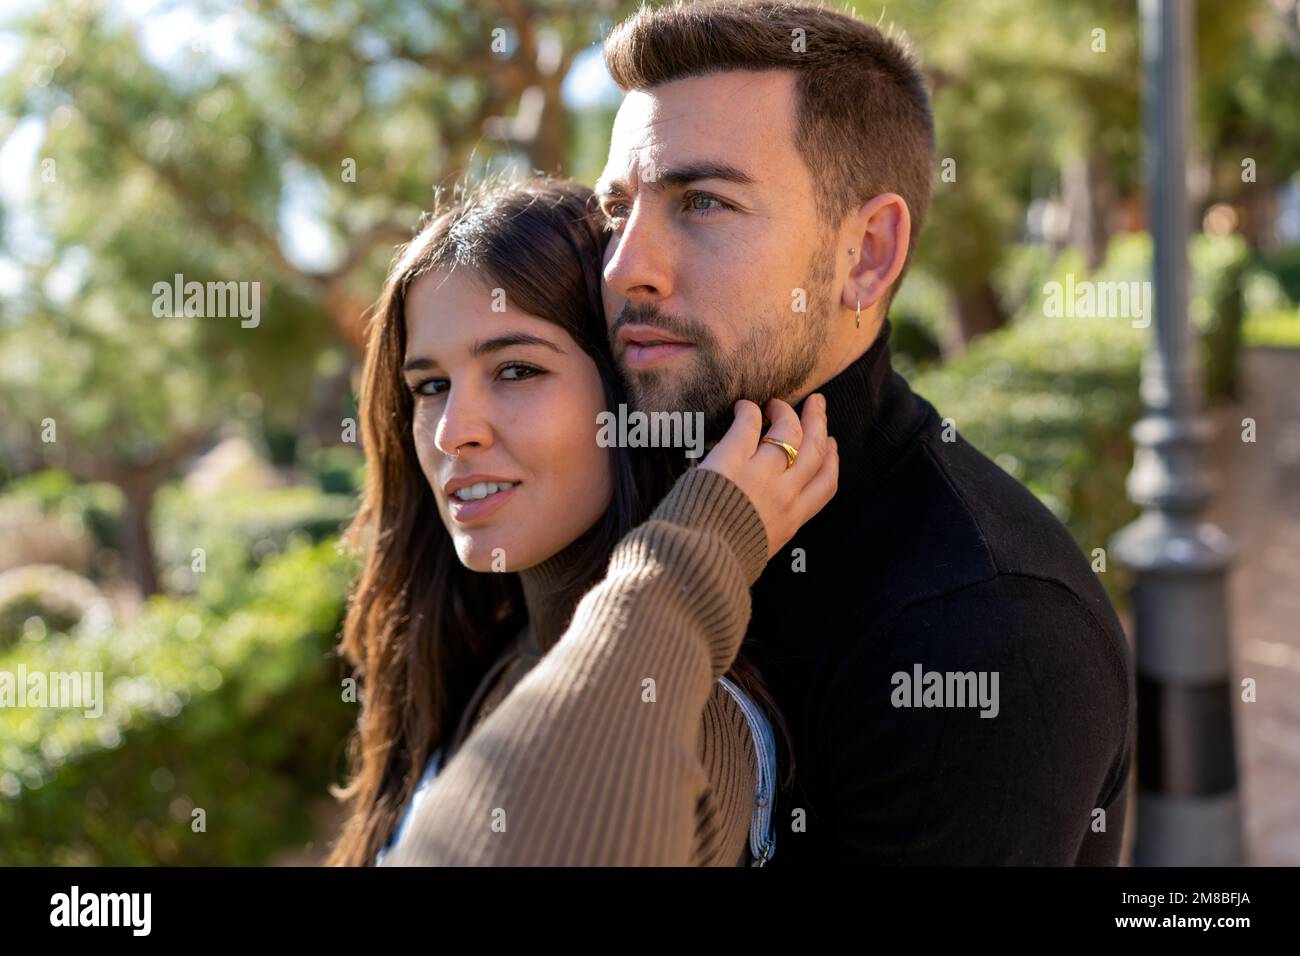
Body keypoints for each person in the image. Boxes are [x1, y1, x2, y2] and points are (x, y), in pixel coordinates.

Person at [588, 0, 1135, 864]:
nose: (626, 267)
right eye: (616, 210)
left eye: (702, 202)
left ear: (868, 254)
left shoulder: (985, 631)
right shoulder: (608, 483)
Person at [327, 176, 838, 866]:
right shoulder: (497, 657)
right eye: (431, 386)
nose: (453, 431)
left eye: (515, 370)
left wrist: (689, 559)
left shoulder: (685, 710)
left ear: (631, 394)